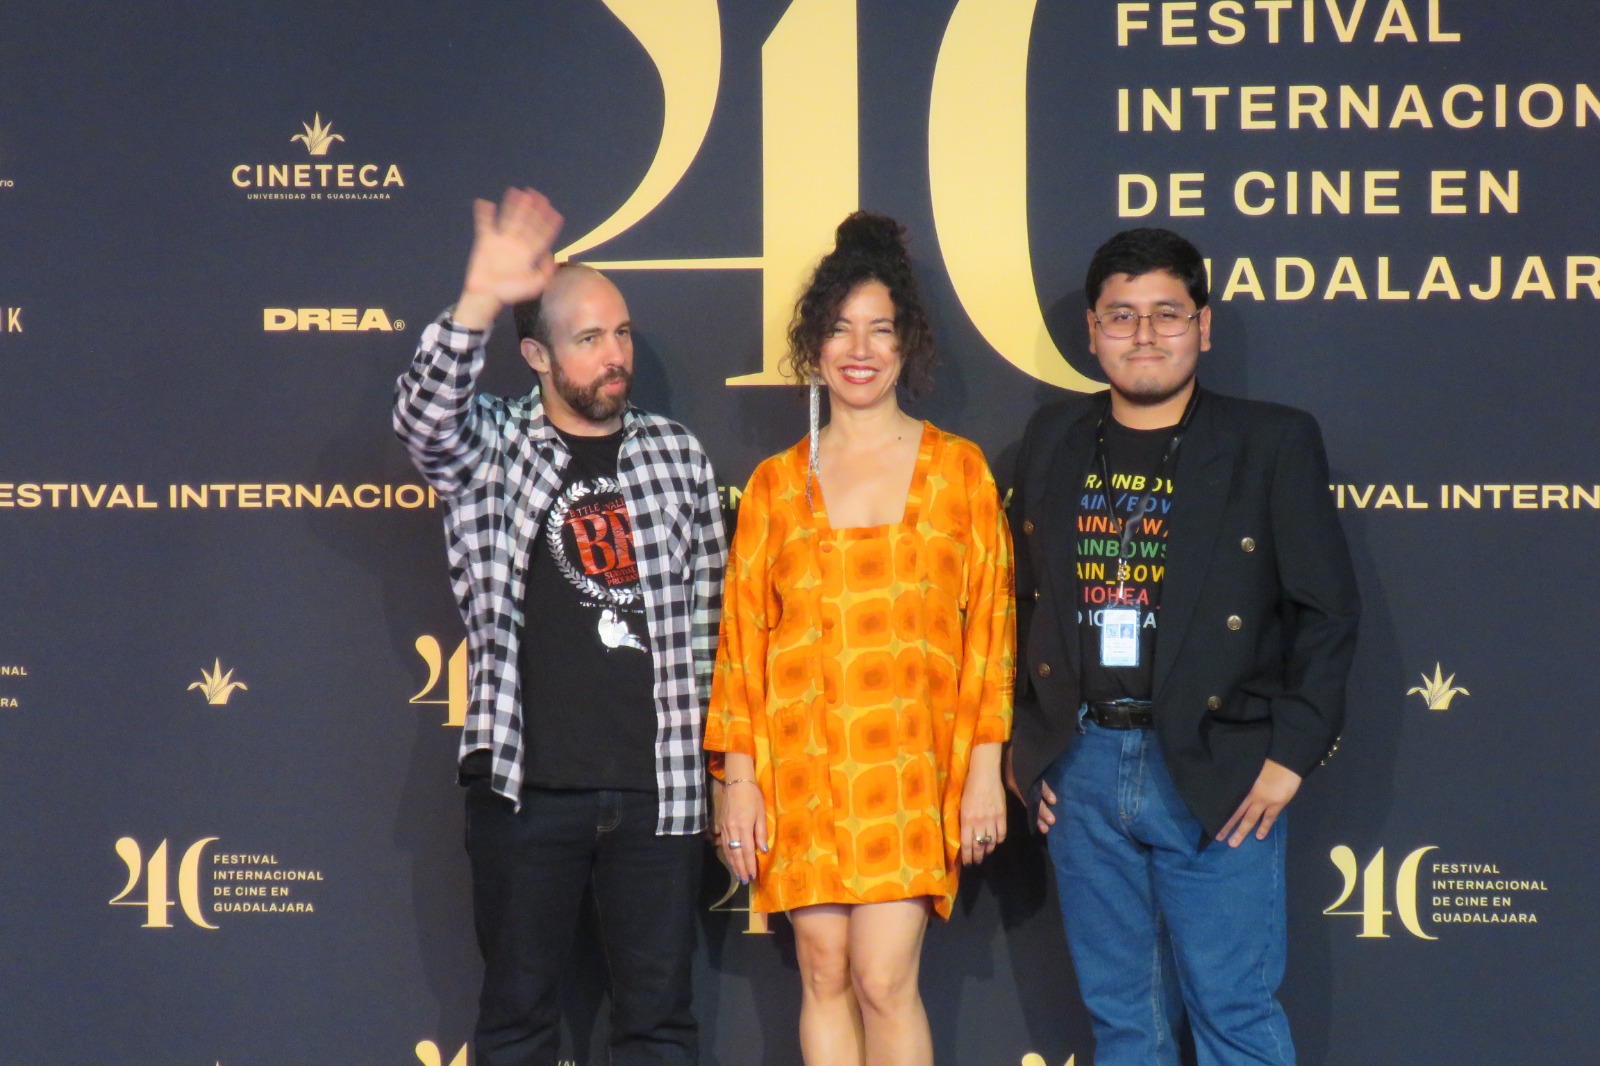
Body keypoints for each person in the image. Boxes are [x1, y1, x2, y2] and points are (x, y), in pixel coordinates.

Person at [1006, 227, 1360, 1065]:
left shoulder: (1270, 441)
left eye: (1166, 314)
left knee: (1233, 1013)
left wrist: (1290, 756)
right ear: (1091, 331)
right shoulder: (1052, 439)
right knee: (1125, 1024)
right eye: (1121, 316)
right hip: (1082, 768)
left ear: (1203, 325)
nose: (1143, 335)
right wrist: (1028, 750)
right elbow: (1016, 607)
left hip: (1218, 764)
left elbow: (1328, 610)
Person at [393, 187, 727, 1066]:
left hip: (661, 792)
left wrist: (723, 769)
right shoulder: (491, 445)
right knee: (515, 1028)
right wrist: (480, 296)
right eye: (589, 340)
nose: (616, 357)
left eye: (621, 334)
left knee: (658, 1029)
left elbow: (708, 627)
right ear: (537, 354)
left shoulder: (676, 452)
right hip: (522, 790)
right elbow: (421, 422)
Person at [708, 212, 1015, 1066]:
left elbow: (992, 627)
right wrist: (739, 781)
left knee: (885, 977)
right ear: (814, 343)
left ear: (906, 344)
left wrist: (984, 771)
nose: (860, 349)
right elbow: (742, 643)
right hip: (801, 768)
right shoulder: (775, 486)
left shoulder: (959, 471)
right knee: (823, 970)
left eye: (880, 330)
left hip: (912, 766)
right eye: (841, 328)